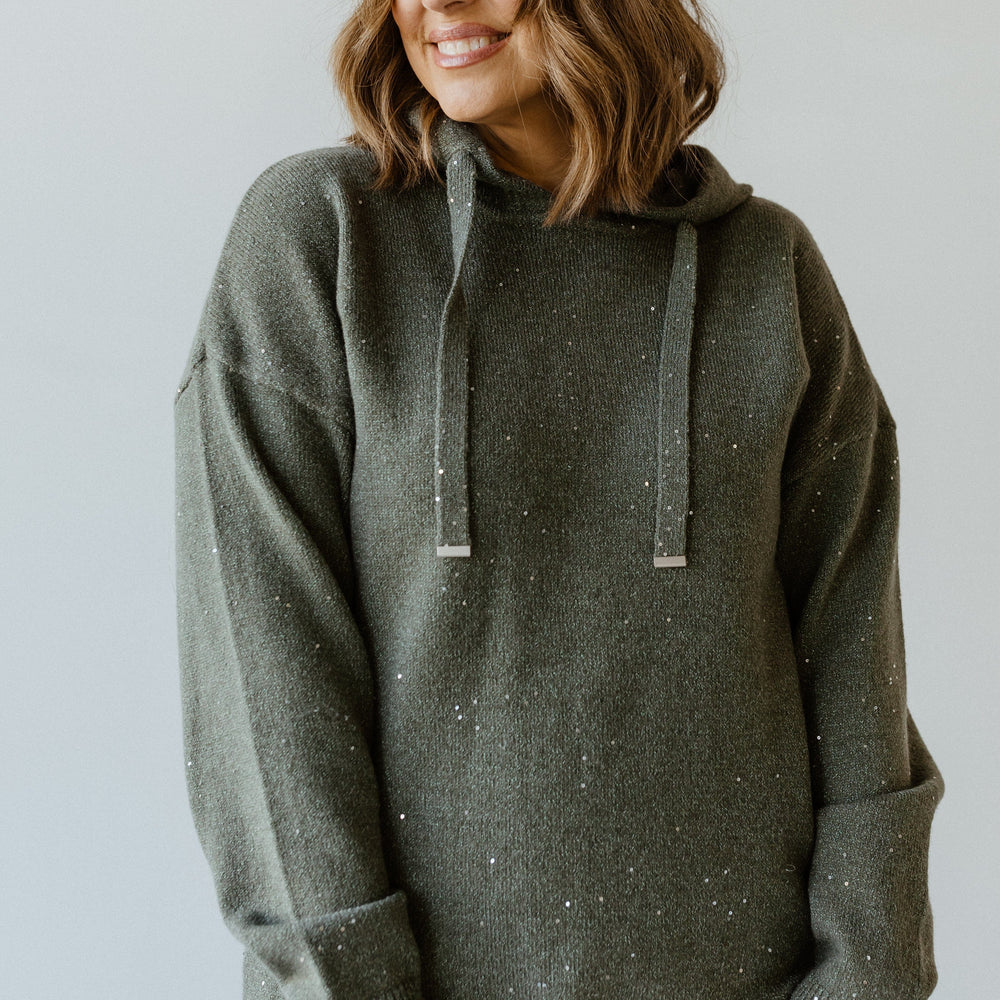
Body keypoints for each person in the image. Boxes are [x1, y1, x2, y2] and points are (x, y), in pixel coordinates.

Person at [173, 0, 946, 997]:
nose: (437, 7)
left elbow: (856, 669)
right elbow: (265, 690)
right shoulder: (320, 239)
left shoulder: (766, 271)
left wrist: (867, 979)